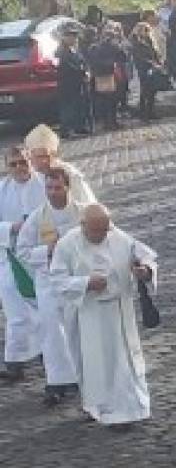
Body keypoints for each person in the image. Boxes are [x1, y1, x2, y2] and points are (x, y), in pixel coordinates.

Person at [51, 204, 158, 427]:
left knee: (123, 362)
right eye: (96, 231)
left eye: (104, 230)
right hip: (90, 315)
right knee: (98, 365)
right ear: (83, 226)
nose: (101, 236)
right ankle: (101, 408)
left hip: (119, 311)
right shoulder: (68, 245)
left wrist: (145, 270)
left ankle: (128, 409)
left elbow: (146, 256)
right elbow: (57, 281)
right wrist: (86, 283)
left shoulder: (118, 238)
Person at [19, 167, 83, 405]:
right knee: (52, 333)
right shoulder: (38, 217)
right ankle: (56, 382)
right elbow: (23, 252)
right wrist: (47, 250)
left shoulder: (81, 213)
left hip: (77, 281)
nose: (53, 193)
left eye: (57, 188)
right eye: (48, 188)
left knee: (78, 331)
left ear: (68, 187)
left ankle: (80, 378)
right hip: (48, 283)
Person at [0, 146, 44, 380]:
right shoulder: (2, 189)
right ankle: (15, 361)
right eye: (13, 164)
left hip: (41, 255)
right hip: (11, 257)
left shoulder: (45, 184)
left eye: (22, 162)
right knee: (15, 309)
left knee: (45, 308)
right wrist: (11, 228)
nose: (19, 168)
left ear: (30, 161)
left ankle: (48, 354)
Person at [56, 23, 92, 137]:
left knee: (78, 105)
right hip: (67, 83)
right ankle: (66, 130)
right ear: (65, 38)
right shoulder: (62, 51)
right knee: (68, 107)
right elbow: (68, 66)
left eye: (75, 36)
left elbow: (83, 61)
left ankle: (79, 127)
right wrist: (82, 72)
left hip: (78, 82)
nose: (74, 39)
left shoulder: (75, 50)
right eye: (71, 36)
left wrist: (86, 71)